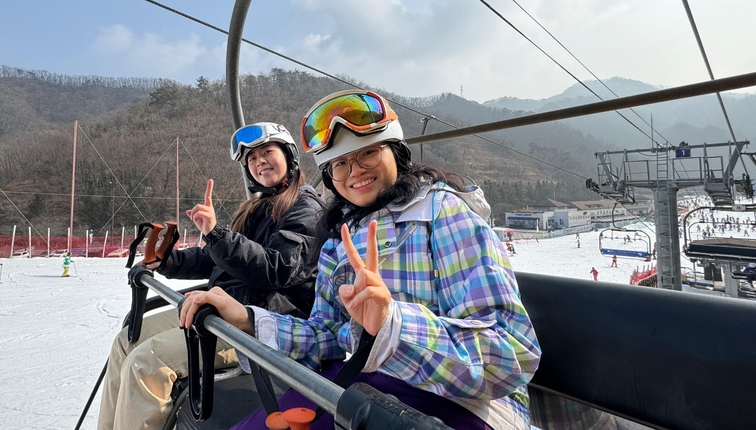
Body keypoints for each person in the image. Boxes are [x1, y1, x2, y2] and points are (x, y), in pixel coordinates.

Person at [180, 90, 541, 430]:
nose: (354, 171)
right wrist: (247, 319)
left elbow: (510, 355)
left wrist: (393, 326)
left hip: (453, 403)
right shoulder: (340, 237)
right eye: (339, 164)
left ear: (394, 152)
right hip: (354, 385)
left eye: (367, 153)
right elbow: (328, 336)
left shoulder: (443, 215)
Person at [97, 123, 323, 430]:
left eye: (267, 152)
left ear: (289, 156)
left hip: (256, 320)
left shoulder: (305, 208)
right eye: (252, 158)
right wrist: (165, 261)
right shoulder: (255, 208)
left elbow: (277, 267)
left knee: (147, 363)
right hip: (218, 312)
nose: (260, 162)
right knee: (127, 340)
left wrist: (217, 233)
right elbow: (216, 257)